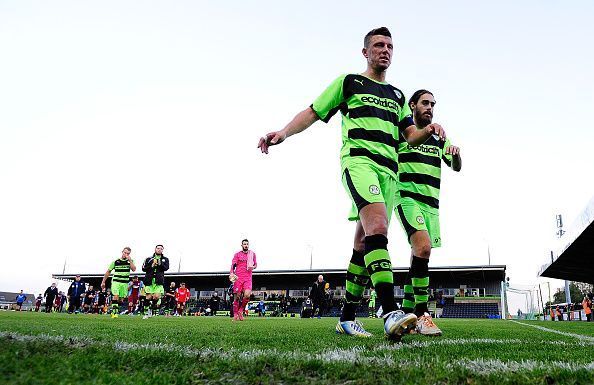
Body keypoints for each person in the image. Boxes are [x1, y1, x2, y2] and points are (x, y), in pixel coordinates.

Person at [258, 27, 446, 340]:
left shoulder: (399, 96)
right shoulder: (349, 82)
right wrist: (283, 133)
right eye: (378, 45)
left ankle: (346, 317)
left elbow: (410, 136)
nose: (384, 50)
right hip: (359, 164)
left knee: (362, 244)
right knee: (379, 228)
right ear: (365, 52)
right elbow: (314, 111)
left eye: (389, 46)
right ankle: (388, 310)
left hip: (389, 174)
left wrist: (429, 130)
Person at [395, 89, 461, 337]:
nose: (430, 107)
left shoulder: (440, 138)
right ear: (412, 105)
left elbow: (455, 167)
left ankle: (407, 314)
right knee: (423, 248)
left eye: (433, 104)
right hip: (407, 198)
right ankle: (422, 315)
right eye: (425, 103)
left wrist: (456, 155)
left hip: (431, 204)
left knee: (418, 257)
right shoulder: (403, 132)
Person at [101, 247, 137, 318]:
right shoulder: (116, 261)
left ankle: (114, 309)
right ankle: (114, 313)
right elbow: (108, 271)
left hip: (124, 283)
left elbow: (133, 269)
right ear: (122, 252)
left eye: (128, 253)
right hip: (116, 282)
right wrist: (103, 282)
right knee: (116, 296)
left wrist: (130, 261)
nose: (126, 254)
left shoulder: (130, 261)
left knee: (120, 300)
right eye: (125, 252)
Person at [229, 239, 257, 321]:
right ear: (241, 245)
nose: (246, 245)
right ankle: (235, 315)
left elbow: (255, 264)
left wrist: (253, 267)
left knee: (247, 295)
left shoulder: (252, 254)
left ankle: (241, 310)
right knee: (237, 297)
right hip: (238, 278)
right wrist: (231, 273)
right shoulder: (237, 254)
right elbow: (233, 265)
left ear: (249, 245)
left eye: (247, 244)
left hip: (248, 278)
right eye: (244, 244)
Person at [142, 244, 170, 319]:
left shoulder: (165, 259)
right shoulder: (148, 259)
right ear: (155, 249)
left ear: (162, 250)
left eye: (161, 249)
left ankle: (151, 308)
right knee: (148, 297)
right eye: (158, 248)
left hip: (159, 280)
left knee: (156, 297)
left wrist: (159, 264)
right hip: (149, 280)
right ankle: (145, 313)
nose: (159, 250)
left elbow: (166, 268)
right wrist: (152, 265)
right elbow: (143, 268)